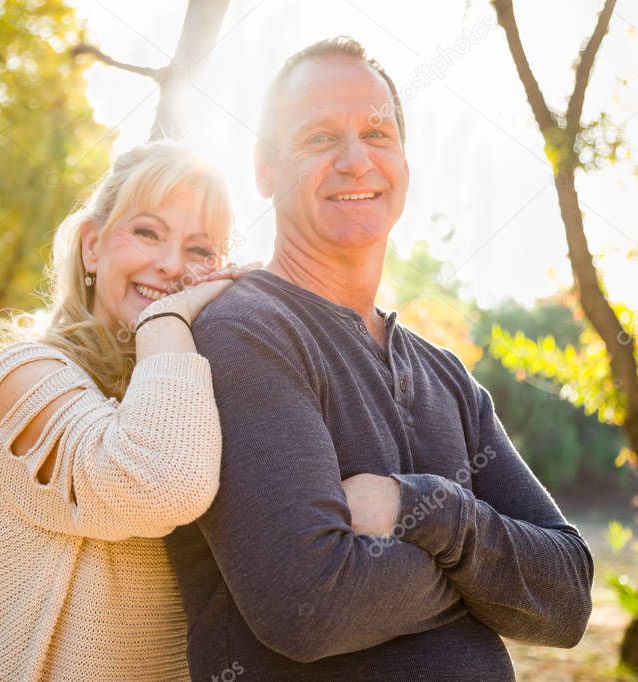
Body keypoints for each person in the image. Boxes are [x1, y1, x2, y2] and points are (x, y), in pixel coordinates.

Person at [166, 36, 594, 681]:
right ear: (263, 168)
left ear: (403, 158)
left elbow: (567, 599)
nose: (355, 160)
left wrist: (427, 508)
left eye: (376, 133)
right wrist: (491, 587)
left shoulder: (445, 375)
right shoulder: (246, 335)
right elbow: (311, 606)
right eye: (317, 138)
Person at [0, 141, 252, 680]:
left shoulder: (194, 393)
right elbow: (162, 485)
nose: (170, 266)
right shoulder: (20, 377)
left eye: (200, 251)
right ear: (92, 247)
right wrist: (167, 322)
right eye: (147, 233)